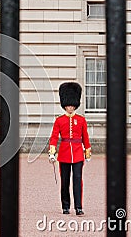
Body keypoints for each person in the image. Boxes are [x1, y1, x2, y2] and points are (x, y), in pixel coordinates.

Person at [48, 82, 92, 216]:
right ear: (64, 105)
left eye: (72, 105)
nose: (70, 108)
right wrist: (52, 152)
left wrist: (87, 152)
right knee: (65, 181)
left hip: (78, 154)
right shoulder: (59, 120)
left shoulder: (81, 120)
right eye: (68, 105)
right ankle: (65, 206)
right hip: (64, 154)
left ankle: (78, 207)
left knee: (78, 181)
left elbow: (85, 137)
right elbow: (54, 137)